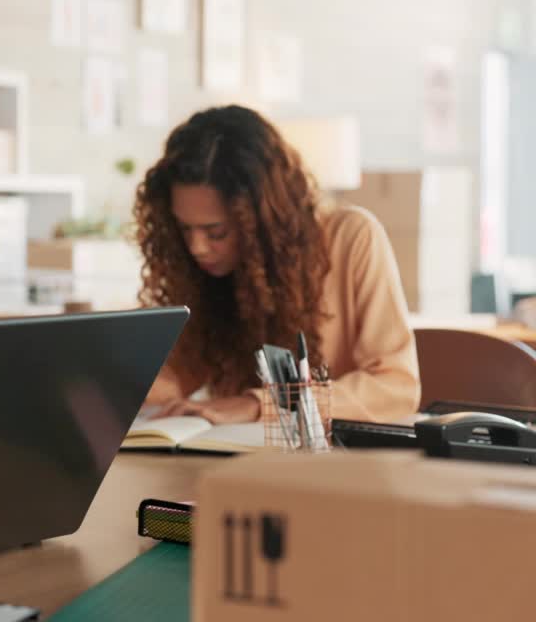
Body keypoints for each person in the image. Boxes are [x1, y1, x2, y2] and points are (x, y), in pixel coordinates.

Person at [134, 105, 420, 424]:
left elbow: (396, 388)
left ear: (260, 221)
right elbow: (180, 371)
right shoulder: (208, 271)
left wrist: (259, 404)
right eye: (184, 228)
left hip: (341, 461)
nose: (197, 248)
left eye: (217, 232)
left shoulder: (352, 237)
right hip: (241, 456)